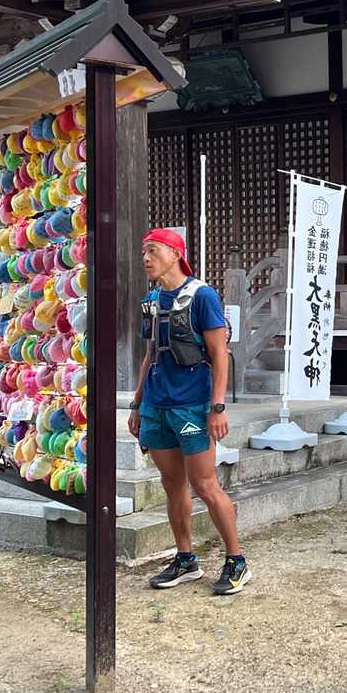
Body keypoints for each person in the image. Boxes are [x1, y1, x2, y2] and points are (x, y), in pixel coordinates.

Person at [128, 228, 251, 596]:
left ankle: (237, 561)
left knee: (205, 485)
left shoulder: (203, 296)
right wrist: (137, 404)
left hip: (192, 406)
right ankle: (186, 559)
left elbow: (219, 354)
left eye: (153, 251)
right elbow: (150, 354)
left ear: (175, 254)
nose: (146, 258)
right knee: (172, 484)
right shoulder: (151, 299)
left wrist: (218, 406)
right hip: (156, 405)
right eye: (144, 252)